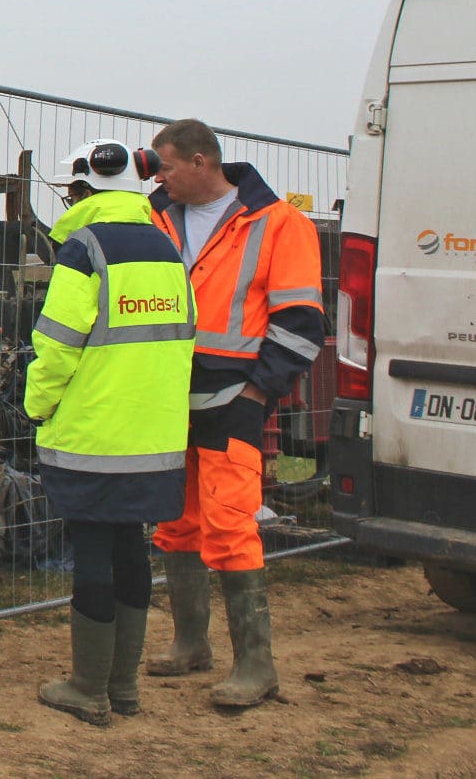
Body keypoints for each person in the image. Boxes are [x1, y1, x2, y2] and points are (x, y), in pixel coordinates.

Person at [144, 118, 326, 709]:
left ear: (201, 162)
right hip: (171, 395)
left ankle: (257, 666)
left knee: (230, 525)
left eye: (165, 165)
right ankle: (190, 645)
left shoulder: (280, 224)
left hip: (235, 397)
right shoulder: (156, 217)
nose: (157, 175)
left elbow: (301, 322)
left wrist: (257, 395)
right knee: (176, 524)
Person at [24, 140, 197, 725]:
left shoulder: (84, 248)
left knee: (94, 549)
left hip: (95, 433)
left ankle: (87, 688)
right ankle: (123, 688)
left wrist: (36, 406)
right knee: (131, 547)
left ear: (81, 190)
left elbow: (55, 345)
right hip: (155, 437)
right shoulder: (166, 248)